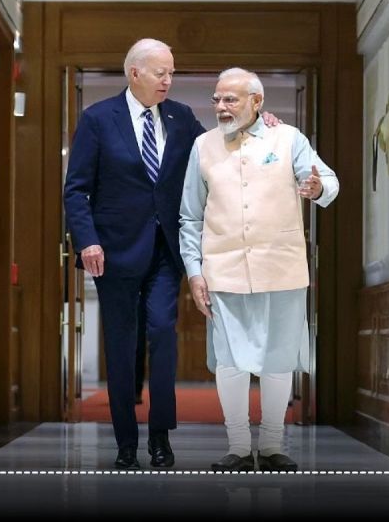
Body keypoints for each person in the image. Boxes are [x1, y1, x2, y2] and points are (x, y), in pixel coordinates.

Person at [64, 40, 279, 470]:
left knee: (162, 334)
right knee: (122, 345)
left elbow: (216, 149)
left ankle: (160, 437)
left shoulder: (181, 118)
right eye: (160, 72)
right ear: (134, 74)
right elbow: (77, 189)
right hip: (113, 252)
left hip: (165, 251)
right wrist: (87, 240)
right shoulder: (97, 119)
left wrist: (258, 124)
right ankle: (126, 441)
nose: (168, 80)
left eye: (171, 72)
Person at [179, 68, 339, 472]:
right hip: (224, 269)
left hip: (281, 267)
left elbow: (328, 182)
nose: (220, 106)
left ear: (257, 102)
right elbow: (189, 218)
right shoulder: (203, 146)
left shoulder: (288, 138)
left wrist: (316, 189)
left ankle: (271, 445)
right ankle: (236, 445)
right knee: (230, 360)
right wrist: (195, 271)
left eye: (230, 99)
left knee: (278, 357)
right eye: (217, 99)